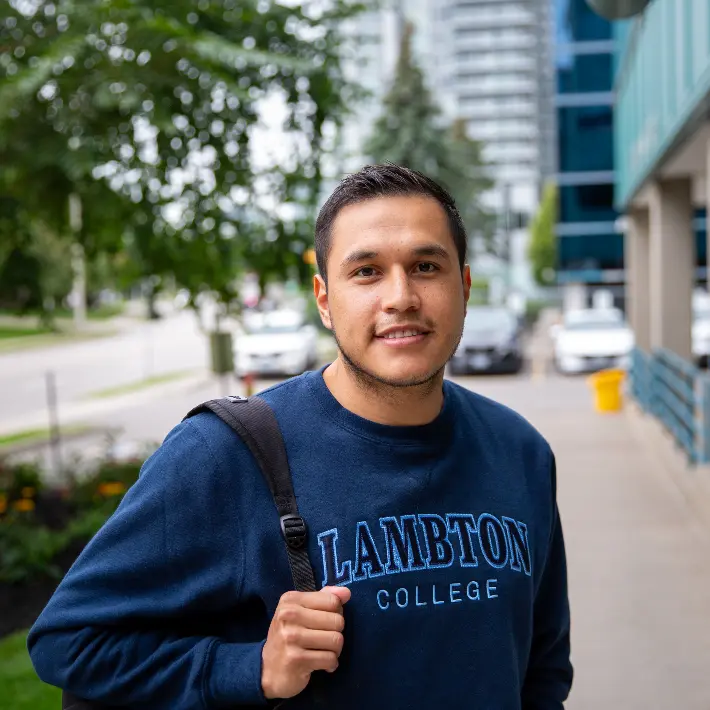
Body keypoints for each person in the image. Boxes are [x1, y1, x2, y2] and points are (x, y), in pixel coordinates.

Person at [28, 164, 573, 709]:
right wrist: (248, 667)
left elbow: (543, 668)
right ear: (324, 299)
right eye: (366, 272)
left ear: (465, 285)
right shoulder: (227, 453)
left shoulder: (520, 453)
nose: (401, 296)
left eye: (426, 266)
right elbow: (69, 641)